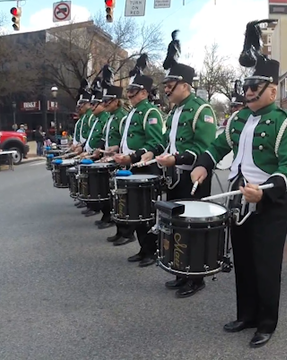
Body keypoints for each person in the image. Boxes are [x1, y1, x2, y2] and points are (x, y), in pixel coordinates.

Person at [192, 19, 287, 348]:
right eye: (247, 85)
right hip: (239, 200)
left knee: (266, 265)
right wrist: (203, 164)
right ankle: (247, 314)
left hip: (269, 203)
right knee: (243, 260)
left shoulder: (285, 123)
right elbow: (217, 146)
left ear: (272, 89)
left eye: (257, 86)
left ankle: (267, 322)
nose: (249, 91)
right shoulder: (239, 118)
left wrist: (265, 191)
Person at [141, 30, 217, 298]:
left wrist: (178, 158)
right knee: (175, 226)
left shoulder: (201, 110)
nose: (166, 89)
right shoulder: (174, 112)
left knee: (192, 228)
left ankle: (195, 277)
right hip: (174, 174)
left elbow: (204, 148)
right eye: (165, 85)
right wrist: (152, 152)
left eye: (170, 84)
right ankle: (180, 271)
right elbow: (165, 140)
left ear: (185, 85)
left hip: (193, 177)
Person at [111, 74, 165, 269]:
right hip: (131, 167)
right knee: (135, 211)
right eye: (129, 90)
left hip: (145, 168)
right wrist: (117, 151)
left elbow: (156, 142)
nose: (129, 94)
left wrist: (132, 157)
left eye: (133, 91)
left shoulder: (150, 112)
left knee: (147, 212)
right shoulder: (131, 113)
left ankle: (152, 250)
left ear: (144, 92)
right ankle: (144, 248)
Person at [94, 85, 129, 230]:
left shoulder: (122, 117)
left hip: (120, 161)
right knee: (112, 194)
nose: (104, 103)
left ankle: (125, 232)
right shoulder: (111, 117)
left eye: (107, 100)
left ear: (116, 101)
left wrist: (116, 149)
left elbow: (125, 140)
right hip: (112, 159)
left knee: (120, 198)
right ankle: (117, 226)